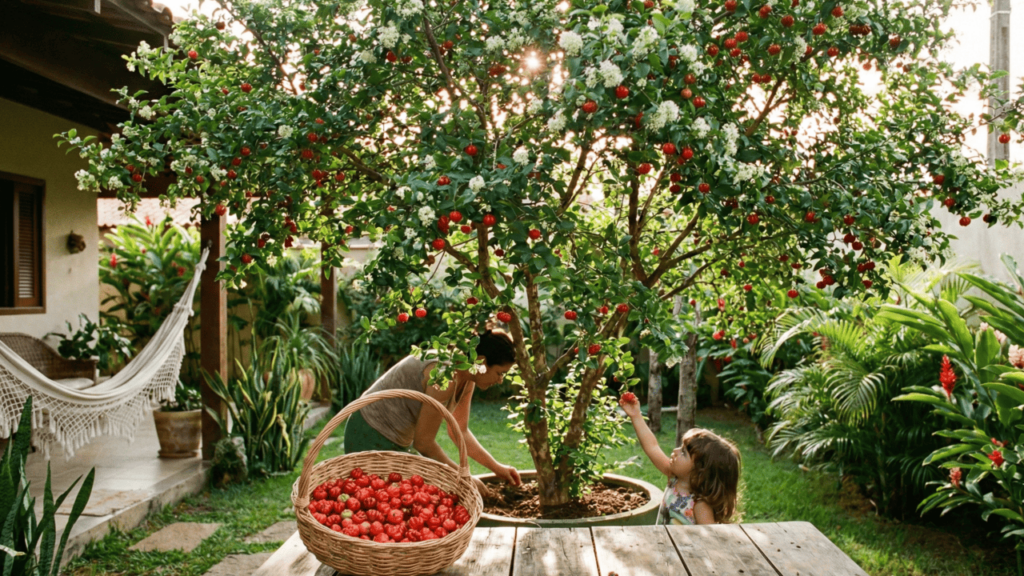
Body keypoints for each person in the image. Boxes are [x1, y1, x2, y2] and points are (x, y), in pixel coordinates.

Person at [344, 328, 522, 493]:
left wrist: (498, 468)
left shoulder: (467, 376)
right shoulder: (445, 376)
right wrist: (465, 478)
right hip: (369, 430)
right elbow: (424, 443)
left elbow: (459, 430)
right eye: (500, 373)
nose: (500, 381)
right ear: (482, 362)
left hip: (396, 440)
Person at [619, 395, 741, 525]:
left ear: (700, 470)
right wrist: (636, 415)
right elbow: (652, 447)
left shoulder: (700, 505)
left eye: (683, 452)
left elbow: (710, 539)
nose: (675, 451)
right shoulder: (674, 478)